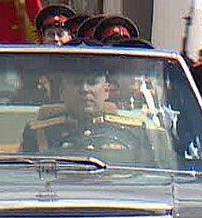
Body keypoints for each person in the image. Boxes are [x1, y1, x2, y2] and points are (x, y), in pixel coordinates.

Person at [20, 65, 152, 164]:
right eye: (76, 83)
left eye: (92, 82)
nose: (84, 89)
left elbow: (150, 181)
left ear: (106, 91)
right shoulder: (39, 133)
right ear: (61, 92)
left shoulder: (134, 132)